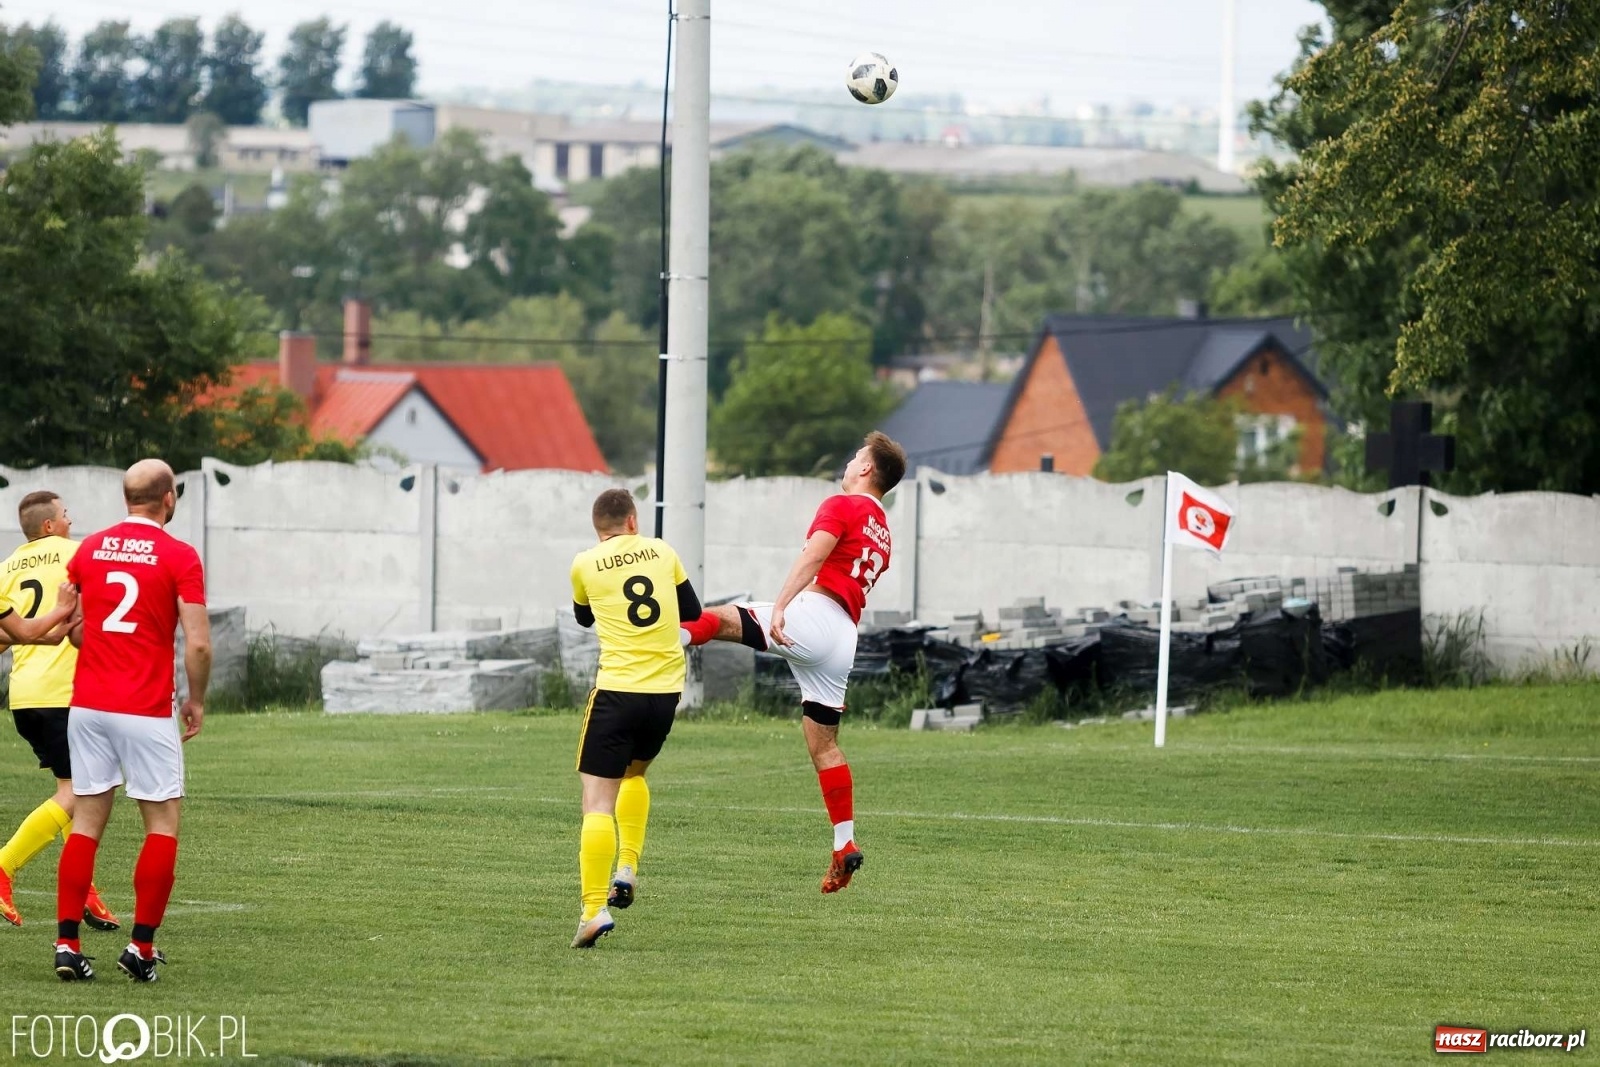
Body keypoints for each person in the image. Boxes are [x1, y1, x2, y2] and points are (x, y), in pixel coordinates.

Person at [682, 431, 906, 894]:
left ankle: (657, 643)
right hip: (843, 636)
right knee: (823, 746)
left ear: (866, 469)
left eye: (854, 457)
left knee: (721, 619)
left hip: (815, 616)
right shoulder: (884, 533)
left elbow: (813, 556)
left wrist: (783, 603)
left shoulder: (843, 505)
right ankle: (844, 843)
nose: (848, 463)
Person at [53, 460, 210, 983]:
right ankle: (141, 947)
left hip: (89, 705)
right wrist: (198, 699)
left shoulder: (88, 549)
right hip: (143, 706)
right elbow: (200, 641)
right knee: (162, 826)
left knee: (86, 822)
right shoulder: (180, 554)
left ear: (127, 499)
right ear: (168, 499)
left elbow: (74, 634)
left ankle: (67, 943)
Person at [567, 488, 704, 948]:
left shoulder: (584, 563)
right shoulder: (662, 551)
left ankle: (592, 911)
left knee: (596, 799)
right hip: (665, 694)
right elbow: (693, 613)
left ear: (597, 527)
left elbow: (583, 619)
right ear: (633, 521)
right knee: (634, 775)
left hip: (618, 691)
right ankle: (627, 867)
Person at [0, 491, 119, 931]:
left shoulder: (6, 567)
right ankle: (4, 867)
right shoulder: (78, 554)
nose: (71, 519)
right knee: (81, 793)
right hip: (67, 693)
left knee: (74, 787)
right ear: (49, 525)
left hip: (25, 696)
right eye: (66, 514)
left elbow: (4, 639)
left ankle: (84, 890)